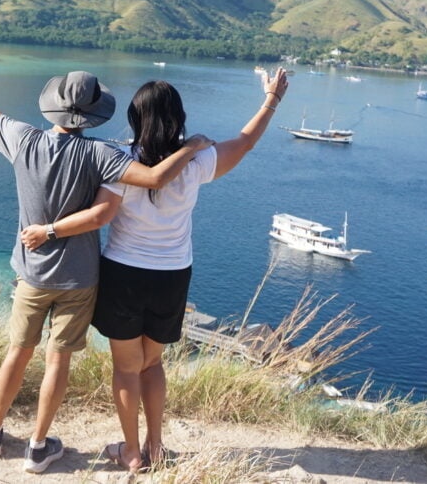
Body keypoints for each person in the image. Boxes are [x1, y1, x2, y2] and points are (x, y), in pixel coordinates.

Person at [0, 46, 212, 474]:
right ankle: (37, 447)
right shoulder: (103, 155)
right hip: (81, 279)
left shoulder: (22, 138)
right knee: (58, 360)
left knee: (18, 350)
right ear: (93, 116)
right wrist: (193, 146)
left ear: (52, 108)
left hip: (31, 273)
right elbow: (156, 178)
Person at [20, 68, 289, 472]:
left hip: (124, 274)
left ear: (133, 118)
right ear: (178, 117)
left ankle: (130, 452)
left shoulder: (120, 160)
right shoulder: (199, 160)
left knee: (127, 369)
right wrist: (271, 99)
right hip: (172, 275)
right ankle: (156, 446)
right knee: (153, 364)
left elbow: (96, 210)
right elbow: (246, 142)